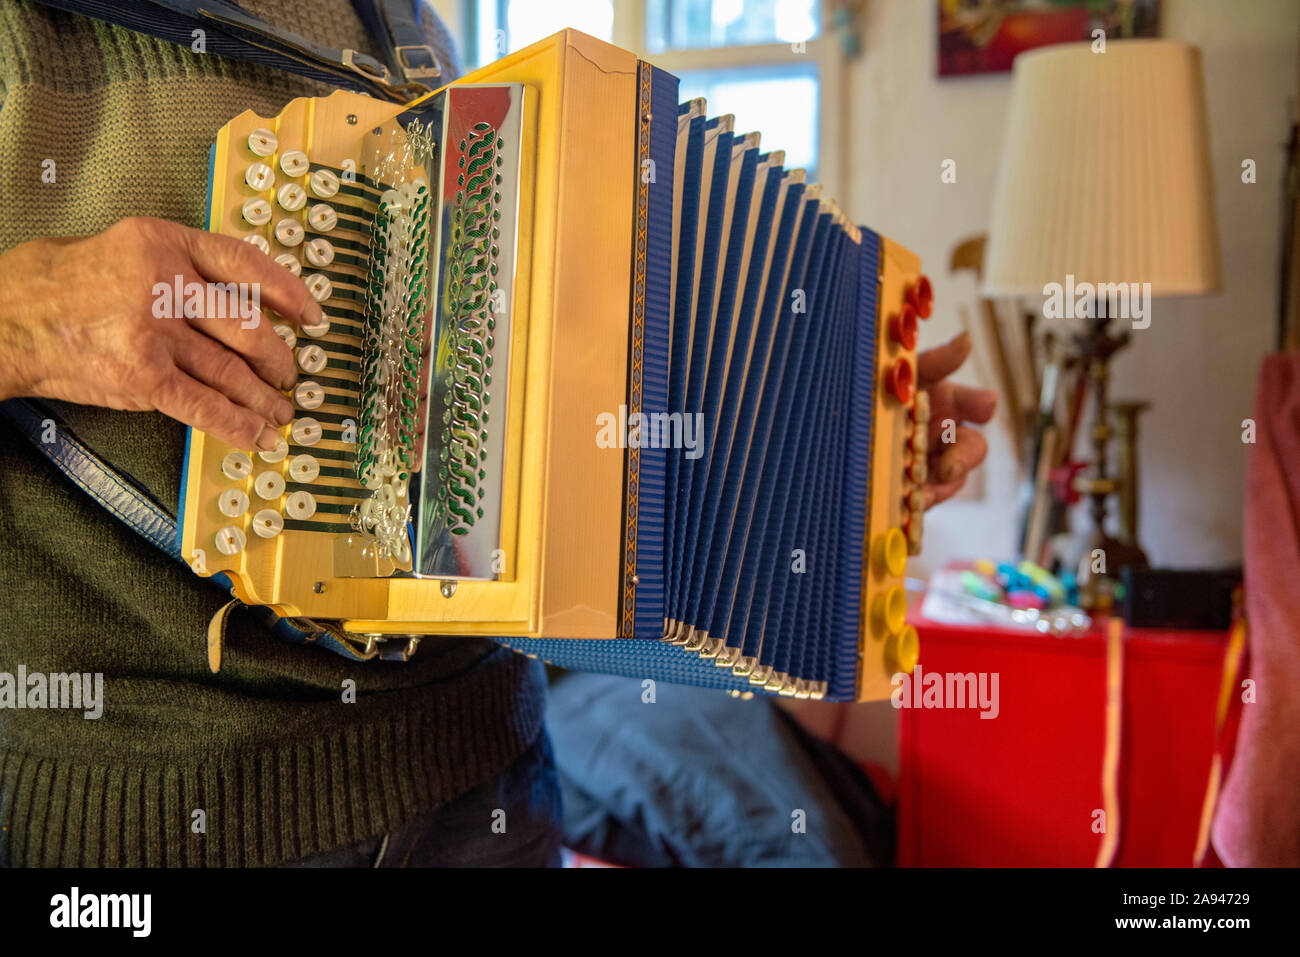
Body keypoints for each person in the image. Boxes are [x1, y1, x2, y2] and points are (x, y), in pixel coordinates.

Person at [0, 0, 993, 867]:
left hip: (485, 784)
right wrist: (24, 316)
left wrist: (850, 446)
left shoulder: (399, 24)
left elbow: (548, 419)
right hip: (153, 815)